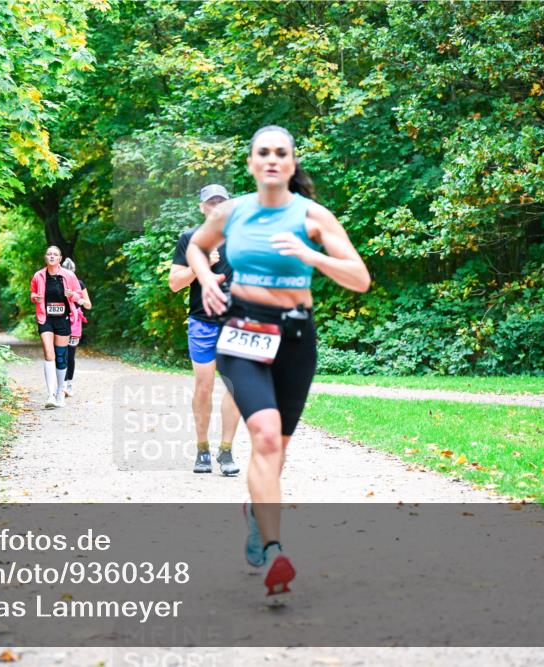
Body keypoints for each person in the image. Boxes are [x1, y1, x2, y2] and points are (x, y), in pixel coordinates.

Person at [186, 126, 370, 599]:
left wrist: (311, 255)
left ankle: (256, 511)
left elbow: (360, 278)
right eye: (263, 152)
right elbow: (196, 246)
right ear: (251, 163)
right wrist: (205, 278)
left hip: (295, 338)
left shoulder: (312, 216)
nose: (271, 159)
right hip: (243, 332)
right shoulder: (232, 212)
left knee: (277, 450)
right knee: (265, 436)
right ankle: (274, 551)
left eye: (280, 153)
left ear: (291, 163)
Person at [169, 184, 241, 476]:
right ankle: (202, 450)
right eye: (211, 202)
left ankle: (226, 450)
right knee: (204, 386)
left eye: (221, 202)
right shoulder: (190, 239)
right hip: (202, 322)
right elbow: (175, 283)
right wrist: (200, 267)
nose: (216, 207)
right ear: (202, 207)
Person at [30, 246, 85, 408]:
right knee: (49, 354)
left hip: (63, 319)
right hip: (45, 318)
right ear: (45, 257)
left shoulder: (69, 275)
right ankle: (51, 395)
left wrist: (72, 295)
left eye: (55, 254)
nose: (52, 256)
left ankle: (60, 391)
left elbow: (79, 295)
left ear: (60, 258)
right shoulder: (39, 275)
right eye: (49, 254)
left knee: (61, 356)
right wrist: (34, 297)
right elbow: (33, 294)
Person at [61, 257, 91, 397]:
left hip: (74, 323)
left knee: (70, 354)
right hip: (60, 321)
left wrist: (78, 299)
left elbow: (88, 305)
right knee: (61, 354)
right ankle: (62, 385)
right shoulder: (57, 283)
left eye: (70, 272)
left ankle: (69, 385)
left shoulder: (80, 284)